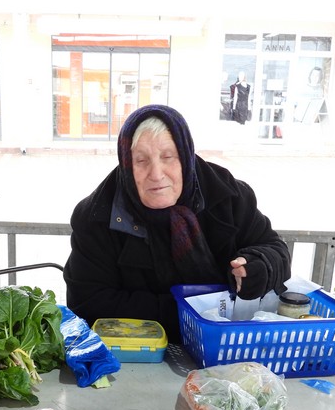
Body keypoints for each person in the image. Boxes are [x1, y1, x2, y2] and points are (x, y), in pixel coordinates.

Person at [63, 104, 291, 342]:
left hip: (227, 343)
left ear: (185, 156)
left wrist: (259, 267)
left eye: (168, 157)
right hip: (142, 352)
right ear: (127, 165)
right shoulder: (97, 215)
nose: (156, 174)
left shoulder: (228, 195)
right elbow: (87, 301)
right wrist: (190, 313)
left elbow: (275, 249)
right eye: (141, 160)